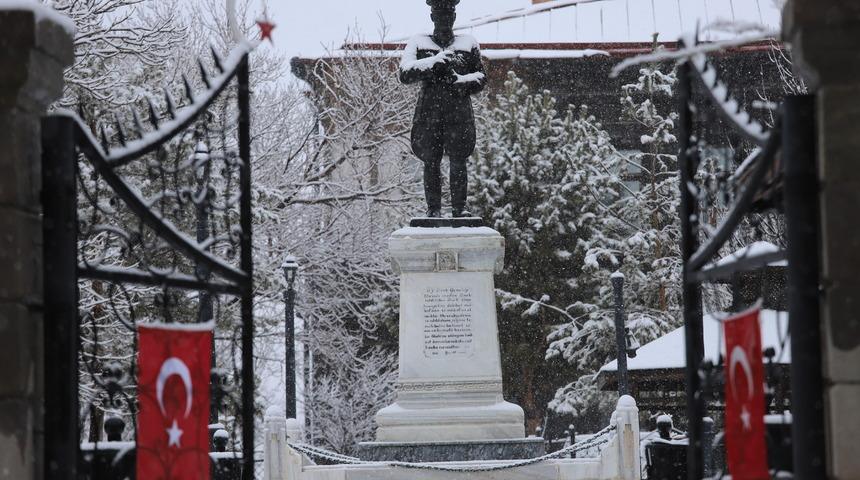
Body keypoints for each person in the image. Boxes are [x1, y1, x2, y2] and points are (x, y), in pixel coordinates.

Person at [399, 0, 486, 218]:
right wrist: (432, 64)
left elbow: (481, 77)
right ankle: (434, 210)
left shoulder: (468, 43)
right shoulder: (419, 43)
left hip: (459, 114)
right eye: (440, 15)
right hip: (429, 114)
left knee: (458, 160)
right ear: (432, 18)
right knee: (431, 161)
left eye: (449, 15)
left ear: (454, 17)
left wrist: (459, 81)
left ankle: (459, 208)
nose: (445, 19)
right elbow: (405, 72)